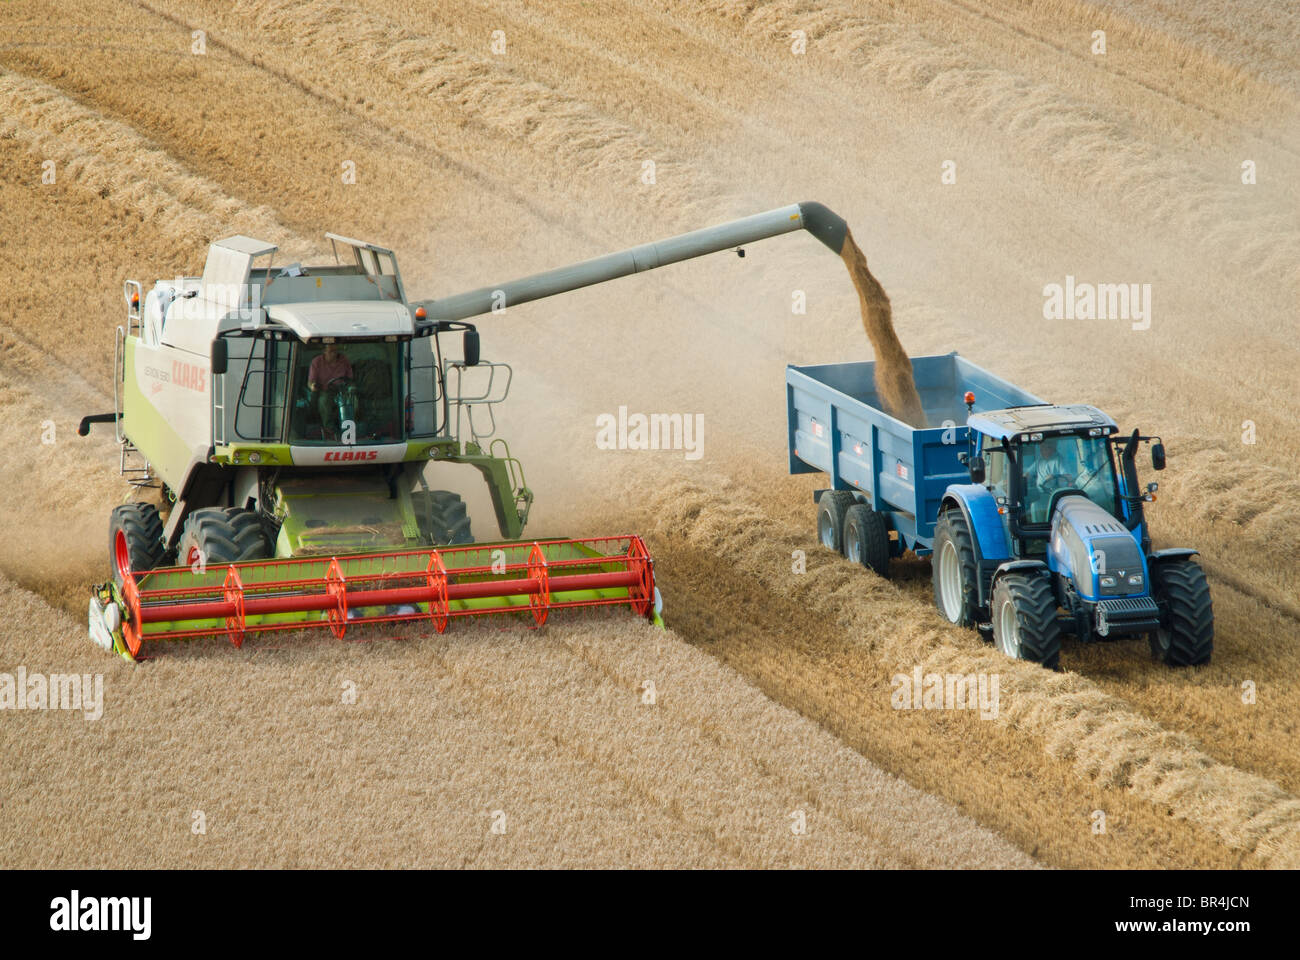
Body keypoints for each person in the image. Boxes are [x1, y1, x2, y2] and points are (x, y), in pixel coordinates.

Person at [308, 343, 353, 438]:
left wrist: (351, 387)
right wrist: (313, 386)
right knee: (324, 401)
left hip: (342, 390)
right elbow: (311, 381)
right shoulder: (316, 362)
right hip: (324, 390)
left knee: (353, 399)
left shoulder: (344, 360)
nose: (333, 354)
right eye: (330, 351)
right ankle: (329, 430)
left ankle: (350, 428)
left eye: (335, 351)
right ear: (324, 351)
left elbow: (350, 378)